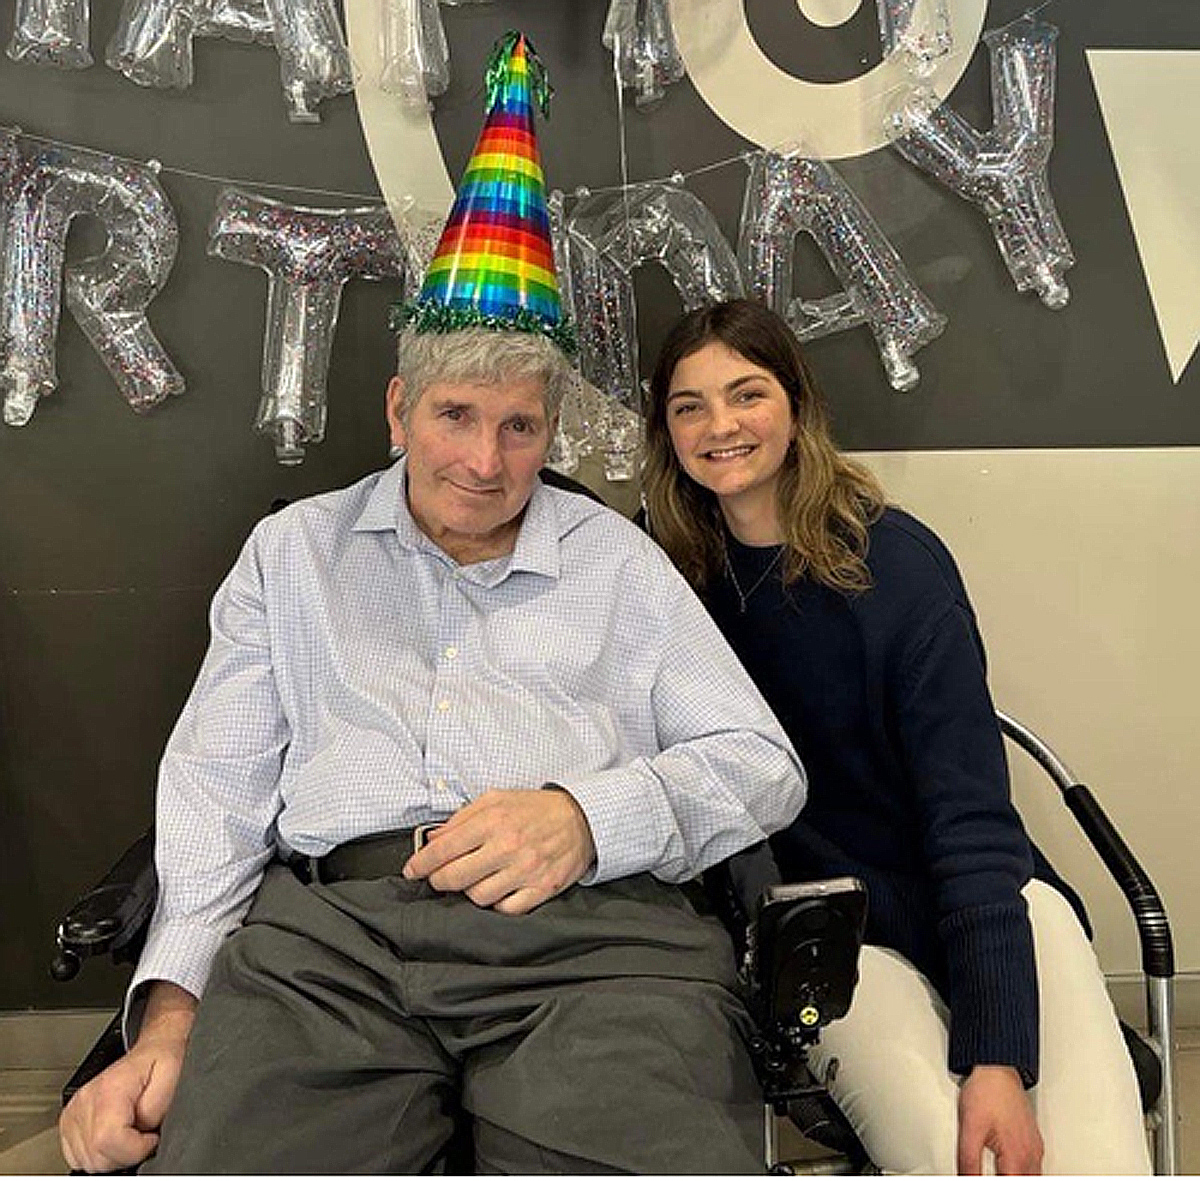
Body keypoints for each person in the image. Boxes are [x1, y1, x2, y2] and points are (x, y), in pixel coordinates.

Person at [58, 36, 808, 1175]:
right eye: (457, 415)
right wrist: (169, 1015)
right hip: (331, 944)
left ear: (550, 430)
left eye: (521, 425)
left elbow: (761, 762)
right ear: (400, 406)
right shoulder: (291, 555)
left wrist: (591, 815)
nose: (487, 460)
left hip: (594, 943)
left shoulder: (618, 562)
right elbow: (216, 788)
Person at [642, 298, 1152, 1176]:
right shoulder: (658, 579)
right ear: (666, 431)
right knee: (959, 1161)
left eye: (746, 393)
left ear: (795, 405)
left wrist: (998, 1053)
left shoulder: (899, 567)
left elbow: (974, 821)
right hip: (833, 933)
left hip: (988, 900)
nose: (720, 425)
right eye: (689, 405)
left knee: (1094, 1165)